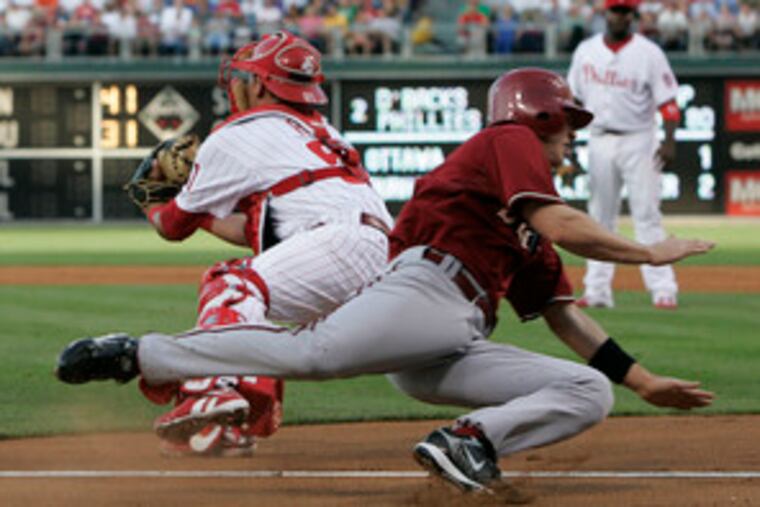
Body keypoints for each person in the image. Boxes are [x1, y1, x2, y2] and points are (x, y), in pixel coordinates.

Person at [56, 68, 715, 493]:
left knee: (586, 391)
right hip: (424, 293)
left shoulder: (527, 229)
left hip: (448, 338)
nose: (571, 139)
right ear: (535, 115)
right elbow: (564, 221)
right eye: (567, 124)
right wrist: (647, 253)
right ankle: (138, 352)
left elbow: (563, 313)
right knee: (311, 354)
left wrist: (642, 380)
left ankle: (470, 440)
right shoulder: (507, 139)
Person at [128, 31, 392, 457]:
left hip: (339, 241)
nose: (237, 83)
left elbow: (173, 226)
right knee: (419, 369)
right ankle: (224, 428)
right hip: (378, 253)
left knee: (231, 284)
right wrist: (205, 215)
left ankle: (216, 391)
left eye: (245, 76)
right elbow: (259, 230)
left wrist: (150, 195)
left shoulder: (238, 131)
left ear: (263, 84)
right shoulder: (322, 132)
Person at [567, 0, 683, 310]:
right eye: (615, 10)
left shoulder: (649, 53)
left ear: (633, 16)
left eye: (625, 11)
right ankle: (597, 290)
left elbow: (669, 103)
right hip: (599, 138)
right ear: (605, 13)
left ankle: (662, 289)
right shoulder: (586, 51)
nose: (620, 16)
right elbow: (573, 101)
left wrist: (669, 141)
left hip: (638, 139)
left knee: (647, 215)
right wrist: (568, 142)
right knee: (600, 218)